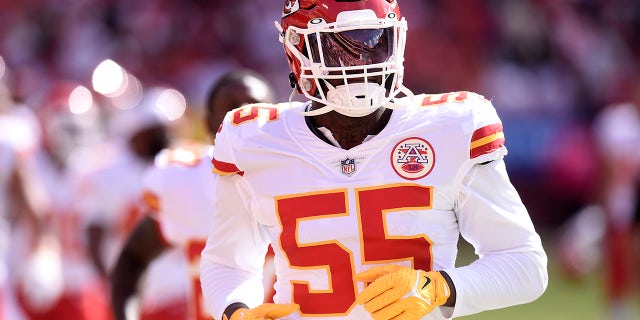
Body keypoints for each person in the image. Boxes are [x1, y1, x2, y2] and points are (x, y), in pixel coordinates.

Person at [200, 1, 548, 320]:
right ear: (298, 49)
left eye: (375, 42)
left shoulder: (451, 127)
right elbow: (227, 265)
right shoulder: (254, 139)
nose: (363, 61)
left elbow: (524, 265)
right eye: (341, 47)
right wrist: (238, 313)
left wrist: (440, 288)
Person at [109, 69, 276, 320]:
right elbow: (132, 259)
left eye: (254, 108)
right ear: (209, 124)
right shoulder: (185, 181)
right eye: (231, 110)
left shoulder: (306, 175)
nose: (244, 118)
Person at [79, 87, 190, 320]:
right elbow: (94, 233)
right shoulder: (111, 175)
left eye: (163, 129)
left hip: (178, 285)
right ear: (136, 135)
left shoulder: (183, 166)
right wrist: (111, 282)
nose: (162, 137)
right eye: (154, 131)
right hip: (137, 284)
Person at [592, 78, 640, 320]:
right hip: (623, 198)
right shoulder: (617, 121)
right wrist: (601, 201)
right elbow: (605, 168)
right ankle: (617, 310)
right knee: (619, 257)